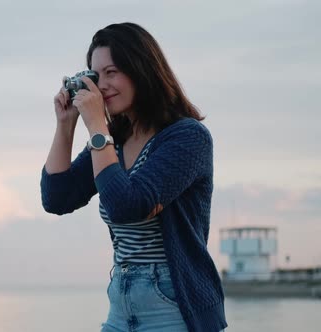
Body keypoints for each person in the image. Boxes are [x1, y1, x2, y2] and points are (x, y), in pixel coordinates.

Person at [40, 23, 227, 332]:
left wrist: (98, 126)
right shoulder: (115, 141)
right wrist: (66, 125)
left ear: (142, 69)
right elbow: (57, 199)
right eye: (97, 76)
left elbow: (125, 205)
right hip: (120, 302)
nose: (102, 86)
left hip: (174, 307)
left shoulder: (187, 138)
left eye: (112, 72)